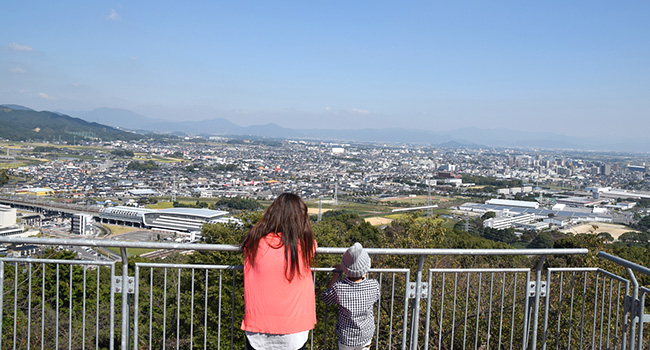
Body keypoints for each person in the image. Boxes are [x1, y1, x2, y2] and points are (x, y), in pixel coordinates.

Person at [240, 193, 317, 350]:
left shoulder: (254, 242)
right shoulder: (303, 246)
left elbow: (254, 233)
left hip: (258, 329)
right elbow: (313, 243)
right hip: (294, 329)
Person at [321, 242, 380, 350]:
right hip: (366, 336)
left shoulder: (339, 289)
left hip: (346, 338)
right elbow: (376, 297)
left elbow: (326, 297)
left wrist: (335, 277)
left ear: (345, 268)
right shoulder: (374, 285)